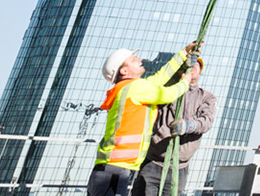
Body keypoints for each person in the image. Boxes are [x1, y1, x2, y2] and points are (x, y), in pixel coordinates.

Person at [88, 42, 198, 196]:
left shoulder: (129, 88)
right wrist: (185, 82)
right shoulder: (135, 88)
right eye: (133, 60)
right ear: (124, 70)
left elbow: (159, 78)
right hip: (114, 169)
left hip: (113, 168)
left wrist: (182, 54)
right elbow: (168, 94)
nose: (140, 59)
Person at [133, 59, 216, 196]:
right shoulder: (168, 90)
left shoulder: (206, 97)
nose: (193, 67)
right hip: (153, 161)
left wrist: (188, 126)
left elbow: (206, 122)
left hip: (179, 167)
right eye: (190, 64)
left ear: (201, 71)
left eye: (197, 65)